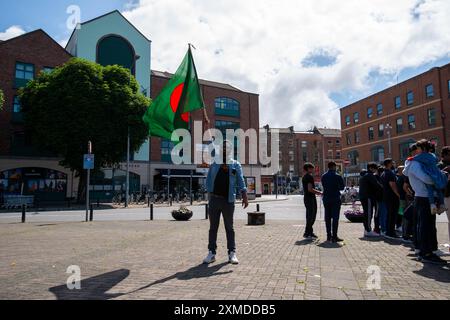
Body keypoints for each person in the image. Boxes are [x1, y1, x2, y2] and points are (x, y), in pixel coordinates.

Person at [203, 140, 248, 265]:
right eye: (222, 147)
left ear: (230, 150)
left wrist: (244, 195)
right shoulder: (215, 163)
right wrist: (209, 194)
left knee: (229, 227)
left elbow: (240, 180)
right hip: (214, 199)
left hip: (228, 200)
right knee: (213, 228)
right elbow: (208, 179)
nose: (224, 149)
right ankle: (211, 253)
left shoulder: (235, 165)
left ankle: (232, 253)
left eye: (227, 147)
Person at [404, 140, 447, 265]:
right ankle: (425, 252)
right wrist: (439, 177)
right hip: (423, 197)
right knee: (425, 226)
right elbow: (426, 179)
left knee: (428, 226)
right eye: (426, 150)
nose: (428, 153)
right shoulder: (415, 163)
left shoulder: (420, 162)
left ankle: (427, 250)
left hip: (426, 197)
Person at [412, 140, 447, 215]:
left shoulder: (421, 156)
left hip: (430, 174)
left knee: (429, 189)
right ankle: (442, 204)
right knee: (439, 190)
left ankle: (432, 205)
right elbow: (436, 160)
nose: (417, 150)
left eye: (418, 148)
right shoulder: (432, 155)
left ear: (423, 148)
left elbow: (413, 159)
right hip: (437, 173)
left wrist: (409, 159)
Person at [321, 161, 345, 243]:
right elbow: (342, 187)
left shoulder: (323, 176)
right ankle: (334, 236)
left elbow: (324, 186)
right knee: (335, 218)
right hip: (335, 198)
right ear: (334, 167)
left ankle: (328, 236)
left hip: (326, 198)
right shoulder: (337, 176)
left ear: (328, 167)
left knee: (327, 217)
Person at [359, 162, 383, 237]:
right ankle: (368, 230)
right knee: (369, 213)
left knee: (367, 213)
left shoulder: (365, 175)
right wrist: (382, 187)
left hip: (364, 196)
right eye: (375, 168)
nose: (376, 170)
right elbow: (377, 185)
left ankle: (367, 229)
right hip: (368, 197)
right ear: (370, 168)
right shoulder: (370, 175)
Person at [381, 158, 401, 240]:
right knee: (392, 215)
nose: (394, 164)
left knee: (390, 215)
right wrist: (399, 195)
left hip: (387, 196)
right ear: (389, 164)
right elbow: (392, 185)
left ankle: (389, 231)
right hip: (392, 197)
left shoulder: (384, 173)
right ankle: (391, 232)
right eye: (392, 163)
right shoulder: (389, 173)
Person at [302, 163, 322, 239]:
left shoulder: (304, 177)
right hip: (310, 198)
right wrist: (319, 192)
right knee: (312, 216)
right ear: (308, 169)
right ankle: (307, 233)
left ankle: (309, 232)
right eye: (311, 168)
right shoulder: (309, 177)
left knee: (309, 215)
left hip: (306, 198)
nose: (313, 170)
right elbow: (310, 189)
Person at [438, 146, 450, 252]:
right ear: (445, 155)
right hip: (447, 195)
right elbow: (436, 180)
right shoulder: (440, 165)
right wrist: (444, 170)